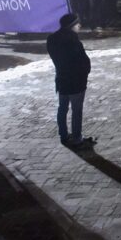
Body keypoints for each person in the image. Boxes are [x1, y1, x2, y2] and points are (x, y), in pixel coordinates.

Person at [46, 13, 94, 147]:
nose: (80, 26)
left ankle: (63, 134)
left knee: (62, 108)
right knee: (76, 110)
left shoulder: (52, 39)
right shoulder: (73, 40)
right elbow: (81, 61)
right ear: (71, 26)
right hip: (76, 81)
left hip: (62, 79)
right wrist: (85, 71)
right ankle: (77, 137)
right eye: (77, 23)